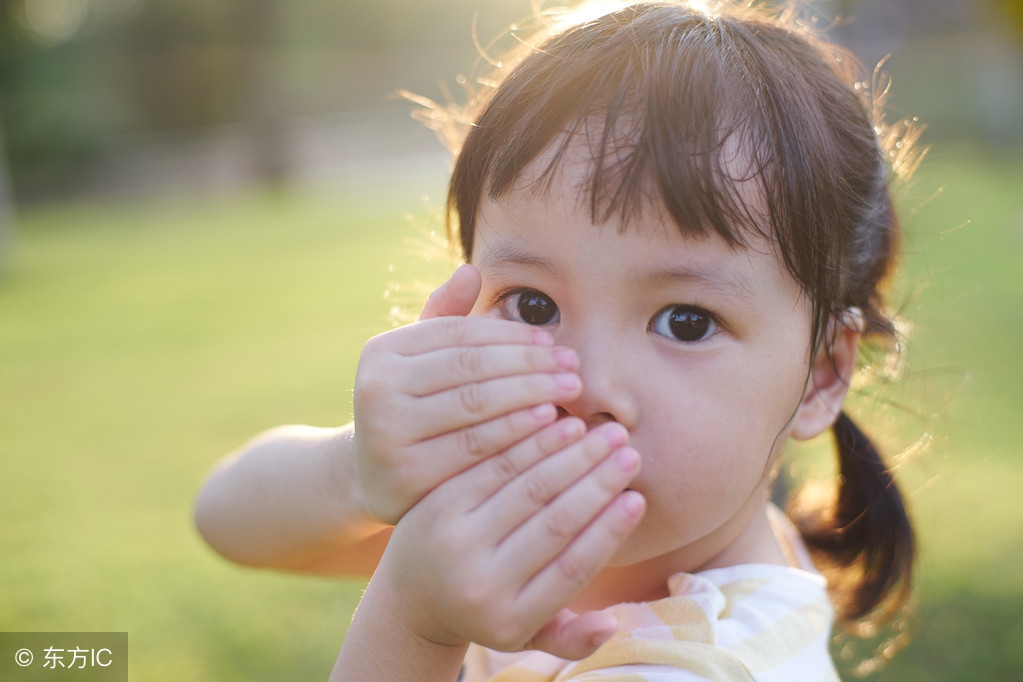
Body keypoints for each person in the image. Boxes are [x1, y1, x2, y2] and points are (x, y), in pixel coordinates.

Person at [194, 1, 924, 679]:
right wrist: (358, 470)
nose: (584, 384)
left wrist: (415, 627)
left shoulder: (690, 663)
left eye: (685, 321)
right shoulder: (569, 524)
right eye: (534, 304)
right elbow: (225, 521)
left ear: (822, 374)